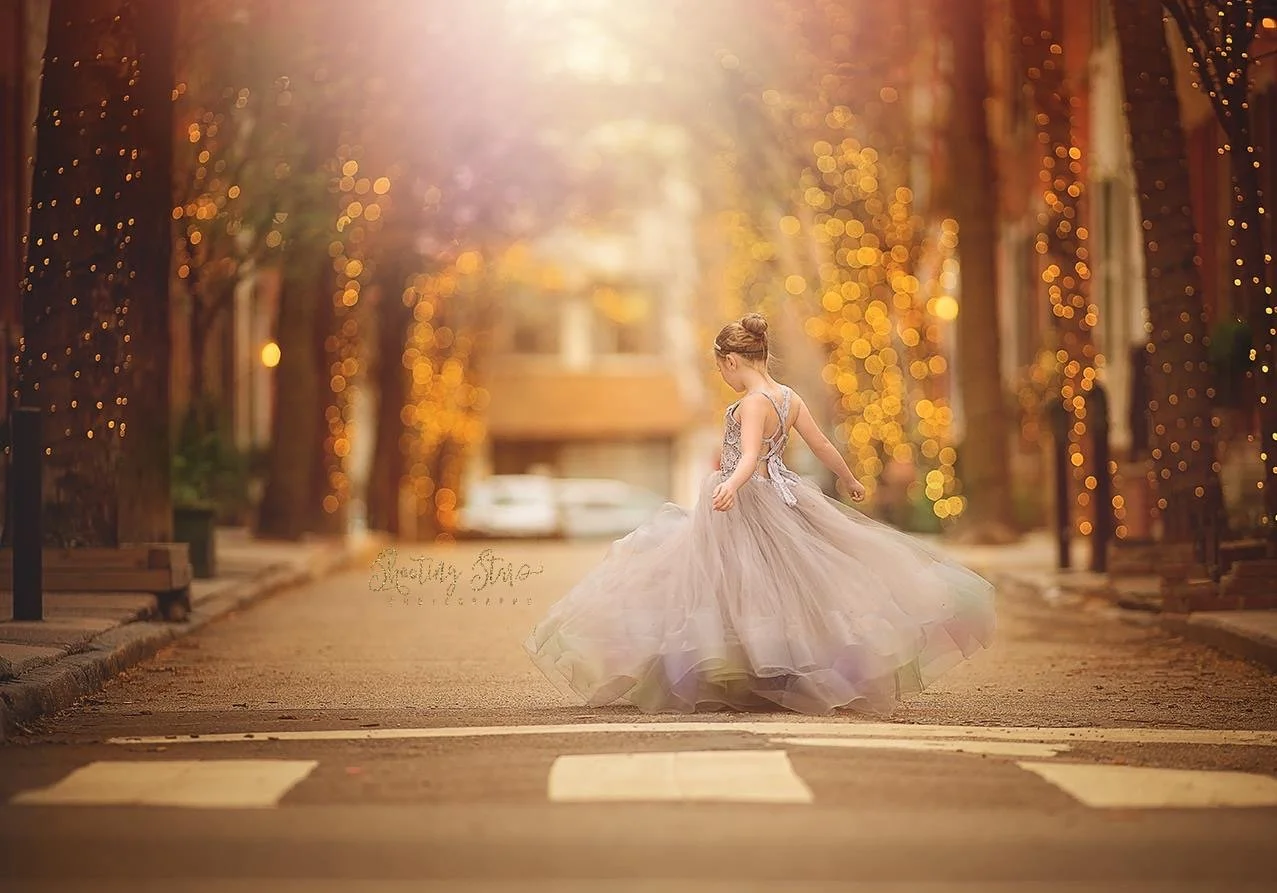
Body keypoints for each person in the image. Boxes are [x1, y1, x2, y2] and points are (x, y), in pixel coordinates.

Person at [523, 312, 995, 716]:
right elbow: (822, 443)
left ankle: (741, 671)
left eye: (721, 370)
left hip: (746, 500)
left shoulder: (751, 403)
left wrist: (729, 483)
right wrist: (848, 478)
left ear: (731, 361)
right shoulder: (789, 398)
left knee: (730, 582)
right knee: (786, 583)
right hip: (785, 494)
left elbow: (748, 455)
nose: (724, 378)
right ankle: (775, 668)